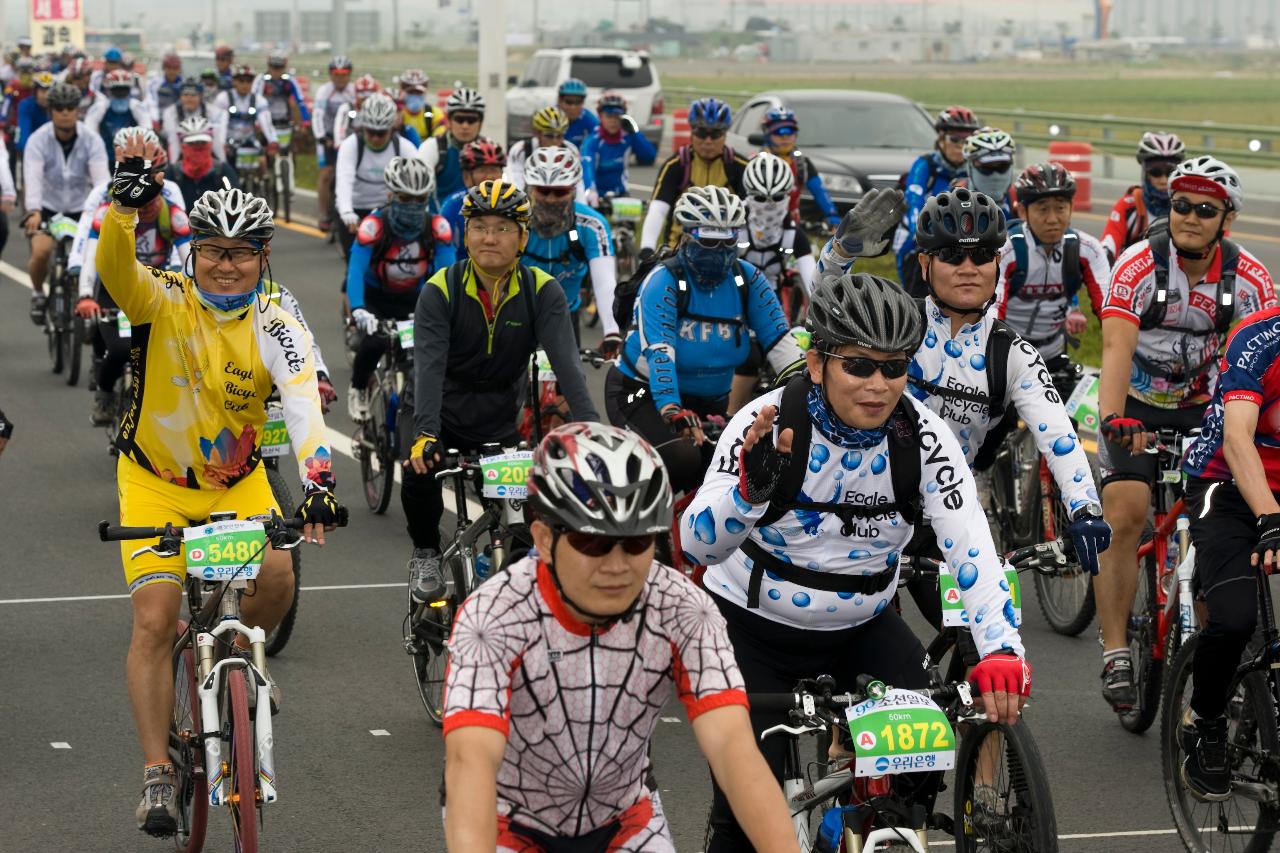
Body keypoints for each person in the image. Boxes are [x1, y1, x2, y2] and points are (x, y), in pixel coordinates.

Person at [683, 271, 1032, 850]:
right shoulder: (765, 422)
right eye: (859, 366)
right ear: (818, 364)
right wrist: (747, 496)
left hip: (860, 626)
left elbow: (971, 546)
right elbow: (696, 545)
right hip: (750, 632)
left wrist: (1001, 649)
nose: (878, 384)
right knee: (747, 811)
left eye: (895, 367)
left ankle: (845, 822)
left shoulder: (924, 437)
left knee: (923, 756)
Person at [104, 138, 341, 837]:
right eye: (214, 249)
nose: (227, 263)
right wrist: (125, 210)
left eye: (242, 251)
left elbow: (302, 400)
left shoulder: (277, 317)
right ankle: (156, 771)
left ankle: (235, 671)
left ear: (263, 256)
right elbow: (117, 272)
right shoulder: (162, 298)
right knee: (154, 618)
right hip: (155, 484)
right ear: (194, 250)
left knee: (278, 581)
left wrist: (319, 482)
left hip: (236, 483)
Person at [442, 421, 799, 853]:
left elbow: (734, 751)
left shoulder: (682, 606)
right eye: (593, 543)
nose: (617, 565)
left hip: (626, 823)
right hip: (505, 824)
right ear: (543, 539)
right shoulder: (494, 613)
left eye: (636, 543)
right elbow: (470, 763)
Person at [1094, 156, 1277, 713]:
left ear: (1226, 219)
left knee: (1217, 518)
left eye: (1205, 208)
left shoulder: (1250, 279)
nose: (1190, 217)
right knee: (1126, 511)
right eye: (1180, 205)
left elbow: (1262, 359)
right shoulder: (1136, 267)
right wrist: (1115, 421)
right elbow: (1114, 352)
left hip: (1208, 407)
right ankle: (1117, 649)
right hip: (1136, 403)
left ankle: (1210, 623)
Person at [404, 179, 600, 605]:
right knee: (417, 470)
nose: (489, 238)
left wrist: (595, 434)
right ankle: (426, 553)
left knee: (520, 519)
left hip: (497, 415)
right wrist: (426, 433)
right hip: (437, 408)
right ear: (465, 235)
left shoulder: (542, 290)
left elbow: (569, 369)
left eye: (503, 228)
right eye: (479, 227)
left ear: (523, 237)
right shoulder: (441, 289)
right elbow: (429, 369)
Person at [607, 185, 803, 496]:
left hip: (709, 401)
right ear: (686, 235)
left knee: (740, 468)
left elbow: (782, 343)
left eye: (729, 240)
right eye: (709, 240)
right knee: (682, 458)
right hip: (642, 393)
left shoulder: (748, 279)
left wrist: (810, 391)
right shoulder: (663, 280)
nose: (720, 250)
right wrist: (672, 409)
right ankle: (637, 522)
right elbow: (660, 354)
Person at [1179, 306, 1280, 801]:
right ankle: (1207, 723)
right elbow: (1239, 438)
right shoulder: (1259, 339)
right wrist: (1270, 518)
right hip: (1227, 486)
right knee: (1236, 618)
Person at [346, 156, 455, 420]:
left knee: (437, 349)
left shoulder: (437, 227)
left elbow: (446, 276)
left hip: (415, 299)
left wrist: (446, 310)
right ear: (391, 194)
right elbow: (355, 271)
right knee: (374, 343)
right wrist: (359, 309)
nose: (413, 205)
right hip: (376, 299)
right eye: (405, 199)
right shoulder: (374, 225)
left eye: (419, 199)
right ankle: (358, 387)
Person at [76, 184, 191, 425]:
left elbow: (189, 261)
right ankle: (104, 395)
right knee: (119, 350)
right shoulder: (107, 213)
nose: (148, 208)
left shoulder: (173, 215)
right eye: (143, 203)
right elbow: (91, 257)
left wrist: (194, 296)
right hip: (115, 292)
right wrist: (86, 294)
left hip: (155, 290)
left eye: (153, 201)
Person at [993, 163, 1111, 364]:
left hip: (1053, 353)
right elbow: (992, 314)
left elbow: (1110, 313)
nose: (1053, 219)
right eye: (1043, 209)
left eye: (1061, 208)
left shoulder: (1089, 249)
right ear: (1022, 211)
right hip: (1007, 354)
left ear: (1072, 208)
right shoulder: (1005, 249)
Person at [727, 151, 816, 413]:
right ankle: (727, 419)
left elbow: (813, 281)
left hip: (771, 304)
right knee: (748, 356)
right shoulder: (735, 227)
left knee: (797, 364)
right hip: (734, 300)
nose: (768, 206)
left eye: (776, 198)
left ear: (788, 197)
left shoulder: (793, 234)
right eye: (760, 198)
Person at [23, 82, 109, 325]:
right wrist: (33, 211)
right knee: (41, 252)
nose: (65, 112)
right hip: (47, 209)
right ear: (50, 111)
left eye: (70, 107)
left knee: (93, 258)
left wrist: (105, 212)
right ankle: (38, 293)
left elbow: (102, 182)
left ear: (78, 110)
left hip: (81, 209)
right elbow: (33, 177)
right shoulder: (38, 140)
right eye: (59, 107)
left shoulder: (92, 140)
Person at [520, 145, 619, 349]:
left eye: (560, 192)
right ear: (529, 189)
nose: (550, 199)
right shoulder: (513, 220)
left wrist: (612, 331)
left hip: (564, 316)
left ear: (573, 191)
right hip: (515, 316)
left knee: (573, 380)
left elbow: (605, 282)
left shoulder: (592, 224)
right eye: (543, 191)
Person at [641, 97, 748, 254]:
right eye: (701, 133)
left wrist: (744, 249)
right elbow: (658, 209)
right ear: (691, 132)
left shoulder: (739, 166)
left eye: (715, 134)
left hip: (725, 252)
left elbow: (752, 212)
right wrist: (647, 247)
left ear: (725, 134)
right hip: (679, 251)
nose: (708, 141)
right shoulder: (676, 164)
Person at [893, 105, 980, 295]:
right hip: (916, 237)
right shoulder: (926, 165)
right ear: (941, 139)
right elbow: (913, 201)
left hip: (958, 239)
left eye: (967, 140)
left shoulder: (974, 169)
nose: (961, 145)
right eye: (954, 139)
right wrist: (922, 231)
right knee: (917, 295)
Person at [334, 92, 418, 261]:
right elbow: (344, 180)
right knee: (354, 264)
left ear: (391, 129)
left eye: (381, 133)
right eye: (370, 132)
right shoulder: (350, 146)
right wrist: (346, 211)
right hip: (355, 212)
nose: (375, 138)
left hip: (389, 211)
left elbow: (417, 185)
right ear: (363, 127)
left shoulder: (405, 148)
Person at [1101, 131, 1186, 264]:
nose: (1164, 180)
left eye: (1171, 172)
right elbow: (1108, 247)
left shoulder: (1191, 206)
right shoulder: (1128, 206)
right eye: (1155, 172)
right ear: (1145, 173)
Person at [758, 106, 840, 229]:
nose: (785, 137)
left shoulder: (802, 163)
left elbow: (820, 192)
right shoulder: (756, 162)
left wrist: (832, 216)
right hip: (760, 225)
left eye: (790, 131)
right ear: (767, 135)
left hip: (792, 226)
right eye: (778, 131)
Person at [580, 90, 656, 204]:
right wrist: (590, 190)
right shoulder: (592, 141)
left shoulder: (629, 136)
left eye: (617, 116)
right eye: (608, 115)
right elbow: (587, 168)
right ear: (600, 116)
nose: (613, 120)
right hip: (597, 196)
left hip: (621, 195)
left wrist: (635, 131)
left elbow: (649, 156)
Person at [438, 137, 505, 258]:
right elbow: (443, 255)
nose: (489, 176)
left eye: (494, 170)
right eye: (482, 170)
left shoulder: (513, 203)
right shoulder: (452, 206)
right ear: (466, 177)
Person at [420, 87, 485, 204]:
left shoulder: (490, 150)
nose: (465, 126)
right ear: (448, 121)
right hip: (440, 219)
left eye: (471, 120)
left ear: (480, 123)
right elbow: (419, 189)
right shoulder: (432, 147)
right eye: (459, 119)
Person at [312, 56, 355, 233]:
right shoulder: (324, 91)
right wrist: (321, 137)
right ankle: (323, 213)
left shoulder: (353, 91)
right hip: (328, 137)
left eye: (344, 74)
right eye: (336, 74)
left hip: (348, 137)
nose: (340, 78)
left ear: (349, 75)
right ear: (330, 75)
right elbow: (317, 116)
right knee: (326, 174)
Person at [505, 105, 585, 199]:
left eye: (559, 136)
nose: (555, 141)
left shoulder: (571, 150)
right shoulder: (521, 150)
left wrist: (581, 207)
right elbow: (515, 183)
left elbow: (578, 184)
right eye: (549, 136)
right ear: (537, 134)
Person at [163, 116, 239, 210]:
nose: (197, 147)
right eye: (192, 143)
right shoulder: (172, 174)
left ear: (211, 143)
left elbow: (235, 204)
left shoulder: (224, 172)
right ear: (182, 145)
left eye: (203, 143)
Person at [214, 64, 278, 175]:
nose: (245, 85)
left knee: (263, 163)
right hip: (229, 142)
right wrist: (221, 144)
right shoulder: (224, 98)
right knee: (223, 170)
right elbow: (220, 124)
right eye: (241, 81)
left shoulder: (259, 100)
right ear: (234, 82)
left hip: (249, 141)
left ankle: (263, 186)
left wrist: (272, 141)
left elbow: (266, 122)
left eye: (248, 81)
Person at [85, 69, 149, 167]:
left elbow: (147, 132)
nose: (120, 93)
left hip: (132, 161)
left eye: (124, 89)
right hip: (104, 159)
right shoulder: (99, 108)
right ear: (109, 90)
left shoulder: (138, 108)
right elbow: (89, 132)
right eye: (116, 90)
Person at [955, 127, 1016, 219]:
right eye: (986, 168)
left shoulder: (1019, 199)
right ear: (969, 167)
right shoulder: (953, 201)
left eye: (1002, 167)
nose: (996, 176)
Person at [253, 51, 310, 146]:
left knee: (289, 149)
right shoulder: (261, 79)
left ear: (284, 67)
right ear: (268, 66)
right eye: (273, 67)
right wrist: (256, 121)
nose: (276, 71)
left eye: (279, 67)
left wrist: (305, 122)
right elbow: (253, 100)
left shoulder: (289, 80)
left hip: (285, 122)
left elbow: (300, 101)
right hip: (265, 122)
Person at [162, 81, 227, 166]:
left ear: (200, 96)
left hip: (205, 148)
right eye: (185, 95)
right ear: (180, 97)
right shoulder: (170, 112)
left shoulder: (213, 111)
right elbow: (172, 138)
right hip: (183, 148)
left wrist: (222, 162)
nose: (189, 98)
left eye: (193, 95)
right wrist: (174, 164)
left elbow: (218, 136)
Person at [395, 68, 440, 144]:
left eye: (418, 93)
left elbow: (440, 136)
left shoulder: (432, 113)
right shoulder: (397, 112)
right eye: (411, 92)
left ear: (425, 93)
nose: (414, 96)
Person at [145, 53, 184, 130]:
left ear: (179, 69)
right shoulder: (154, 83)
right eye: (169, 68)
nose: (172, 71)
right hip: (159, 120)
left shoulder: (184, 83)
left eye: (175, 68)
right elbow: (151, 102)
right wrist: (155, 120)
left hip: (180, 121)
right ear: (163, 68)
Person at [556, 76, 598, 148]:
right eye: (569, 102)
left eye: (578, 102)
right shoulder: (550, 118)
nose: (573, 107)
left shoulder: (590, 120)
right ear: (559, 101)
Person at [15, 71, 50, 153]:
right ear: (35, 92)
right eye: (43, 91)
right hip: (31, 149)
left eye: (49, 91)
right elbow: (24, 133)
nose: (46, 95)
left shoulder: (57, 106)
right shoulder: (26, 106)